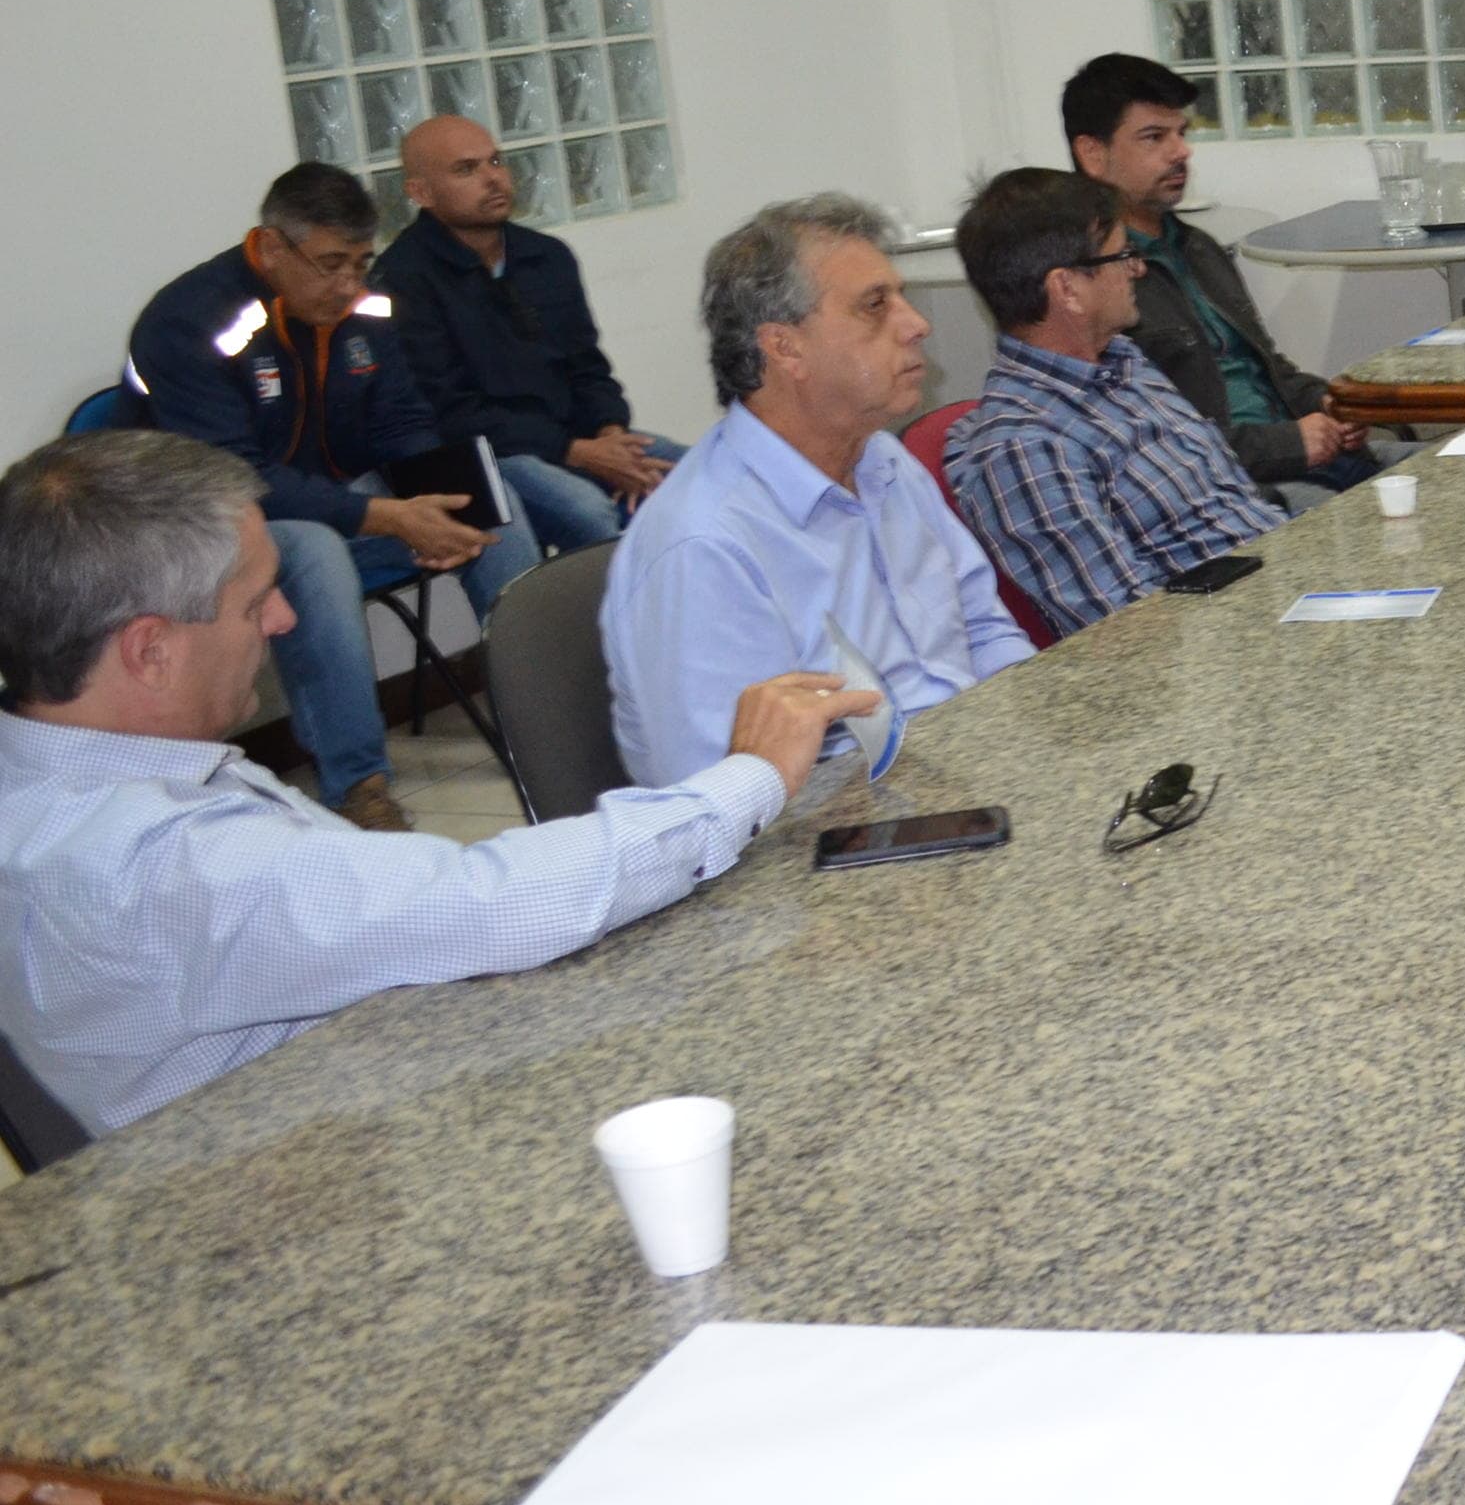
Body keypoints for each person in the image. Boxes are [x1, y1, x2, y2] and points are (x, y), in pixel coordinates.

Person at [0, 430, 871, 1135]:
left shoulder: (65, 776)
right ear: (149, 650)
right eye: (253, 601)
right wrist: (746, 779)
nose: (285, 618)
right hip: (300, 1188)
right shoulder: (147, 866)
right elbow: (482, 903)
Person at [121, 162, 539, 831]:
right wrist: (384, 515)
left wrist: (428, 501)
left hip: (340, 500)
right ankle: (359, 787)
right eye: (329, 264)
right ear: (270, 248)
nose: (349, 286)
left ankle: (550, 724)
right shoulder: (188, 322)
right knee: (313, 550)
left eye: (361, 262)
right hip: (216, 526)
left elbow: (401, 418)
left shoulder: (362, 303)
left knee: (491, 504)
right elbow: (236, 476)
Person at [600, 196, 1033, 789]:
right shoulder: (703, 545)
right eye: (875, 306)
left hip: (965, 771)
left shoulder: (881, 459)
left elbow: (983, 629)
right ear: (785, 347)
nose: (916, 324)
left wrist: (1034, 737)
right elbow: (718, 801)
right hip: (841, 836)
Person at [943, 168, 1287, 635]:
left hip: (1281, 582)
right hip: (1234, 642)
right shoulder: (1026, 449)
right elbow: (1131, 633)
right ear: (1067, 289)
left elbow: (1237, 506)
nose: (1138, 269)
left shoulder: (1124, 361)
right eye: (1122, 256)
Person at [1060, 53, 1385, 508]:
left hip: (1315, 457)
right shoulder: (1093, 283)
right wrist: (1289, 443)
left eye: (1182, 134)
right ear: (1093, 154)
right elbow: (1150, 449)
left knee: (1464, 465)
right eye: (1154, 137)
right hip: (1242, 489)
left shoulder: (1200, 247)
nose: (1181, 152)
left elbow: (1268, 369)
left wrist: (1329, 404)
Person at [376, 113, 686, 551]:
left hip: (580, 438)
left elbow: (588, 368)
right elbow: (449, 412)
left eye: (496, 162)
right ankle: (593, 618)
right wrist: (577, 452)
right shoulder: (402, 278)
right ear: (419, 192)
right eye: (467, 169)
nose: (493, 179)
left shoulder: (547, 256)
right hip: (494, 454)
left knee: (701, 473)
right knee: (589, 512)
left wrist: (611, 435)